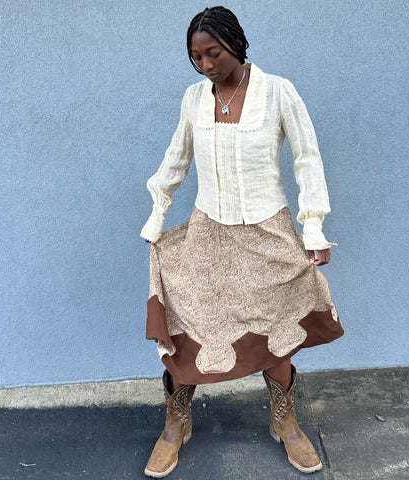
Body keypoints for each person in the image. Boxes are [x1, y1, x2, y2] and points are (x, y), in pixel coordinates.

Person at [140, 6, 344, 477]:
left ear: (236, 42)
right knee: (188, 329)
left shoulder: (278, 92)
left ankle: (285, 421)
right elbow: (176, 159)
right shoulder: (194, 99)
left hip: (267, 232)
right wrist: (158, 213)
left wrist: (313, 227)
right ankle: (176, 423)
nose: (207, 65)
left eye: (214, 53)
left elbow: (307, 160)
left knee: (278, 331)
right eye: (197, 57)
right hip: (208, 231)